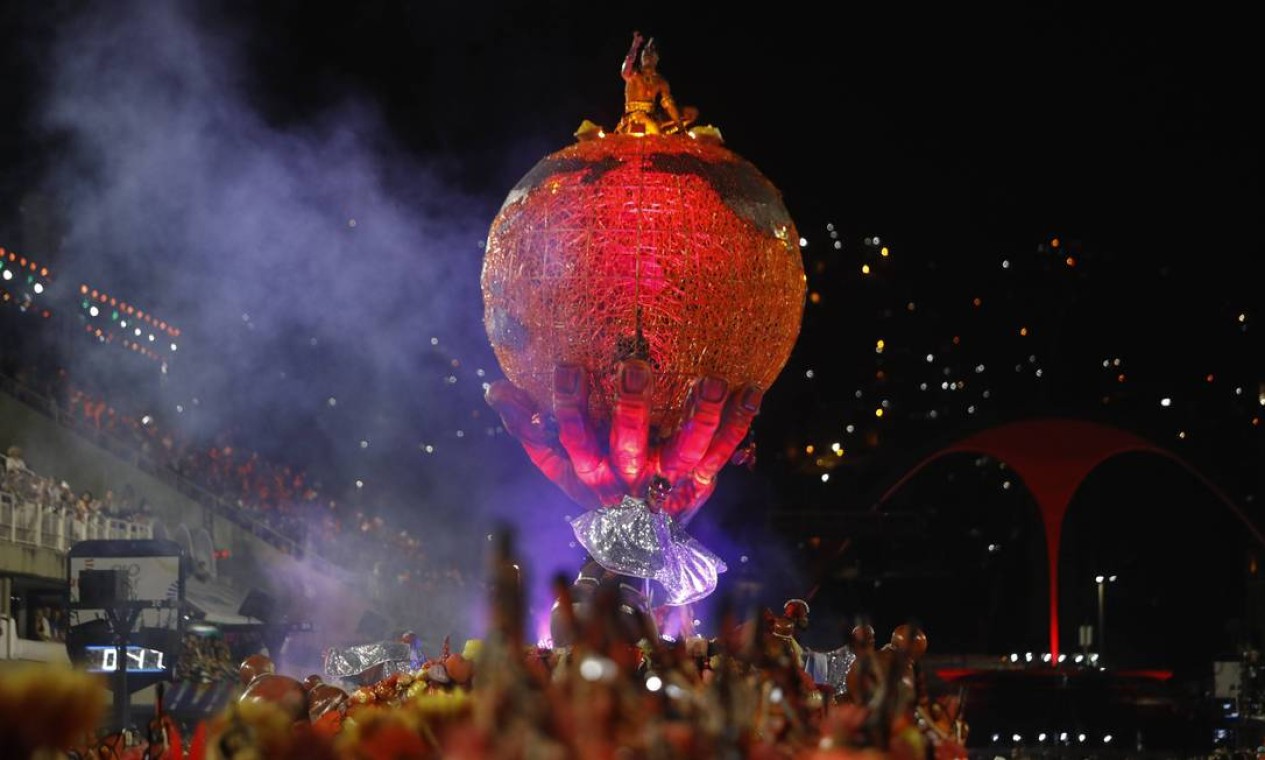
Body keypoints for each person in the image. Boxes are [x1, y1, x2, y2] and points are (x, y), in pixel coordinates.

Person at [615, 31, 691, 135]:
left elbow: (669, 106)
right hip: (634, 117)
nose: (647, 55)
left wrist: (681, 127)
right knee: (652, 127)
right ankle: (660, 133)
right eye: (645, 52)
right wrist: (635, 46)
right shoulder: (633, 74)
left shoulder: (661, 81)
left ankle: (665, 132)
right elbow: (626, 67)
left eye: (651, 53)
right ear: (641, 57)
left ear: (657, 58)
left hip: (653, 117)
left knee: (691, 113)